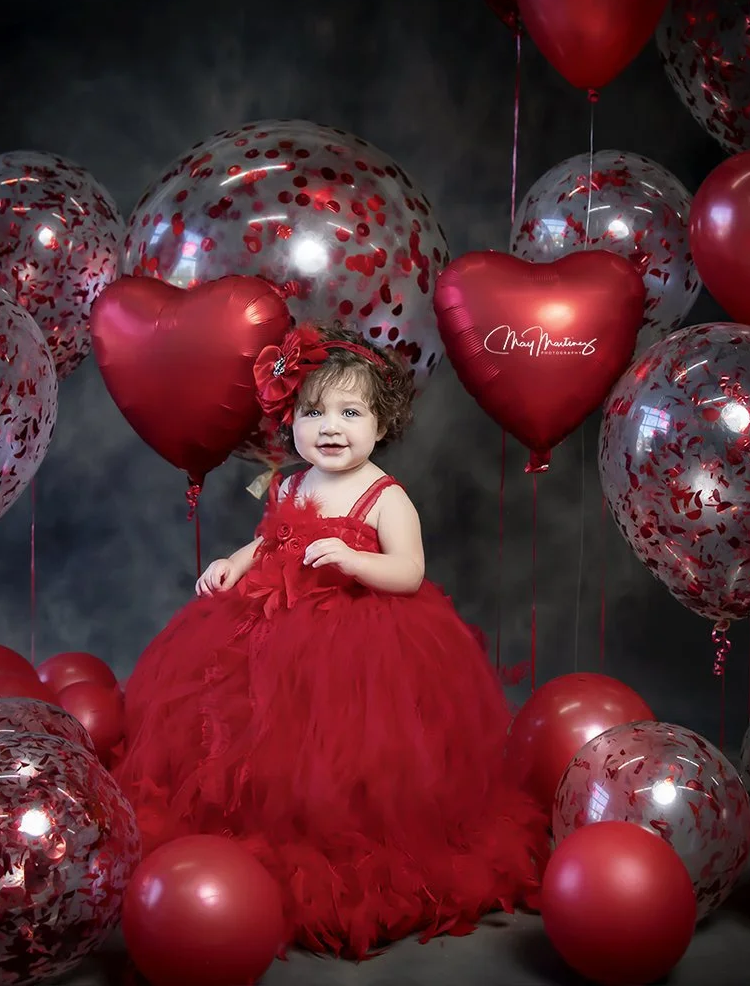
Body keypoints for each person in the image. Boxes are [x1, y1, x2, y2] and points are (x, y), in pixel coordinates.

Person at [113, 323, 549, 959]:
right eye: (313, 412)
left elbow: (408, 572)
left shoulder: (384, 496)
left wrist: (352, 560)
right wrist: (236, 563)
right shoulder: (289, 483)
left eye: (350, 412)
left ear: (381, 423)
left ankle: (341, 840)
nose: (330, 428)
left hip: (358, 644)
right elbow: (271, 538)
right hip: (271, 633)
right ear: (292, 419)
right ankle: (249, 837)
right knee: (254, 733)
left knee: (348, 751)